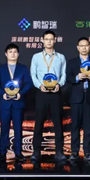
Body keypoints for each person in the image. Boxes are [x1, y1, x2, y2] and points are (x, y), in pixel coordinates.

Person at [30, 30, 67, 161]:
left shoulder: (61, 57)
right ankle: (36, 151)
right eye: (47, 39)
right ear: (42, 41)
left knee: (58, 123)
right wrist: (39, 85)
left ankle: (59, 151)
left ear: (55, 40)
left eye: (51, 39)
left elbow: (63, 74)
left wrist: (59, 84)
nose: (49, 41)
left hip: (56, 93)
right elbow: (33, 74)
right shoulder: (36, 57)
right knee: (39, 122)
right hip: (42, 93)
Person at [0, 43, 33, 163]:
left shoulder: (23, 68)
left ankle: (18, 153)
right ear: (6, 54)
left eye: (15, 52)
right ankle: (2, 153)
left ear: (18, 54)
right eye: (10, 52)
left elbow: (29, 83)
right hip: (5, 103)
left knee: (18, 129)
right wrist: (2, 93)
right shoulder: (0, 69)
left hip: (18, 102)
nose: (13, 54)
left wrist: (21, 93)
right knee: (4, 129)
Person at [66, 37, 90, 161]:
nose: (84, 48)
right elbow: (68, 79)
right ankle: (74, 151)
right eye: (81, 46)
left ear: (89, 47)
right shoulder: (72, 62)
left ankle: (87, 152)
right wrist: (77, 77)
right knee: (75, 126)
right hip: (76, 98)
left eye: (86, 45)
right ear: (77, 47)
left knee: (88, 126)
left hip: (89, 97)